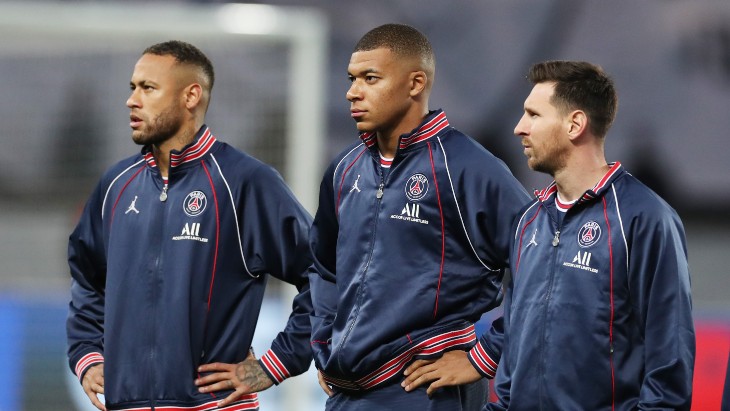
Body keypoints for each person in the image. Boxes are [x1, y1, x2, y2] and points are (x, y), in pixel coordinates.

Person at [66, 40, 313, 411]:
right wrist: (87, 355)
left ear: (191, 96)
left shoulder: (244, 182)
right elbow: (87, 279)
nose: (132, 100)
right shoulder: (116, 186)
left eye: (148, 88)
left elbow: (326, 272)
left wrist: (276, 363)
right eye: (132, 88)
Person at [308, 23, 530, 410]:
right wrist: (326, 342)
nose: (352, 92)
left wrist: (486, 355)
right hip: (347, 393)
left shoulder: (467, 168)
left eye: (370, 78)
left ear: (415, 84)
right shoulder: (344, 169)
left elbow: (548, 268)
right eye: (351, 79)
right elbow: (324, 269)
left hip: (425, 390)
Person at [488, 60, 695, 410]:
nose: (519, 128)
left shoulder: (645, 218)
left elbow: (669, 359)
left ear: (575, 124)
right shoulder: (528, 221)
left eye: (533, 115)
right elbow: (514, 350)